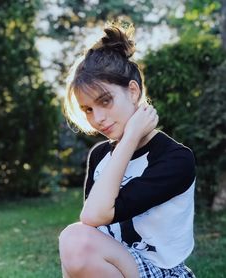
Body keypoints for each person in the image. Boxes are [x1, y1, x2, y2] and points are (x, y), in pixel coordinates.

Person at [59, 23, 196, 278]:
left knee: (75, 239)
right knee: (75, 242)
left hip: (163, 272)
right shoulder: (100, 156)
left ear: (133, 91)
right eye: (88, 109)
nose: (97, 118)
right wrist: (127, 142)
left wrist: (131, 137)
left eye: (104, 101)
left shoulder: (176, 159)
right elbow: (94, 230)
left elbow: (93, 216)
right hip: (116, 267)